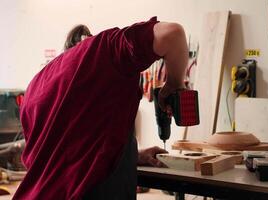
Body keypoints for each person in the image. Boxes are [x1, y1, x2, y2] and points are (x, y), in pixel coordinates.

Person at [13, 16, 188, 200]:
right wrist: (174, 84)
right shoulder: (103, 50)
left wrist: (131, 156)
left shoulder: (37, 84)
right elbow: (172, 34)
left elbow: (64, 150)